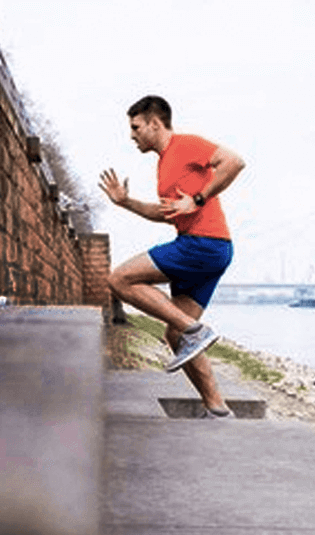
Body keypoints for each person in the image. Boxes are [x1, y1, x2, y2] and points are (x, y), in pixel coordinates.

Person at [98, 95, 246, 418]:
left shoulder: (186, 144)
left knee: (119, 279)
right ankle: (217, 408)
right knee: (175, 334)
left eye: (136, 127)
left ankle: (198, 331)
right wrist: (125, 202)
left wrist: (198, 198)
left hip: (202, 244)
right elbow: (164, 212)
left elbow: (234, 162)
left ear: (155, 123)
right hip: (210, 248)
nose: (132, 135)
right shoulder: (165, 163)